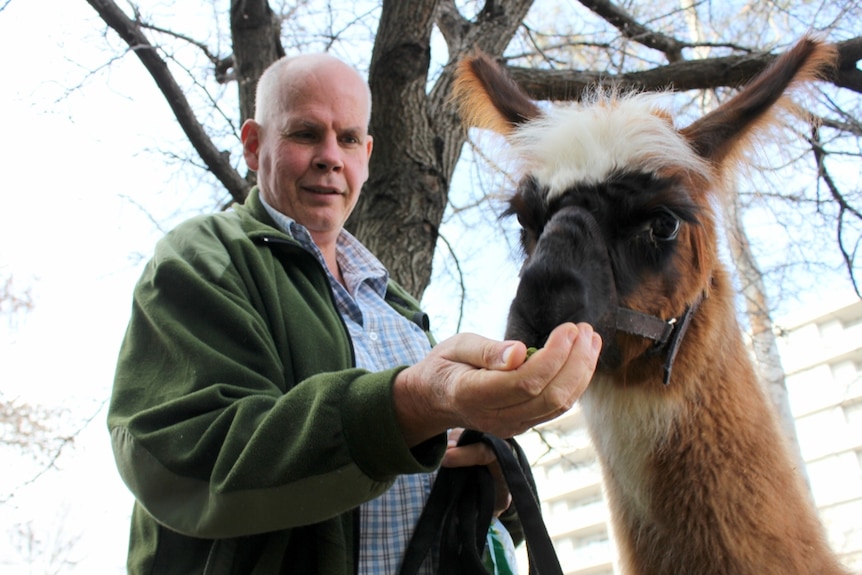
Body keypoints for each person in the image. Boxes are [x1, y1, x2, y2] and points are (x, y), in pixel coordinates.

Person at [108, 52, 601, 575]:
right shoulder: (203, 257)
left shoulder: (400, 308)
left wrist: (496, 484)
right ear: (253, 145)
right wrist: (409, 405)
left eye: (347, 139)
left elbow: (450, 498)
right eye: (304, 134)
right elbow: (180, 459)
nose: (330, 157)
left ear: (366, 154)